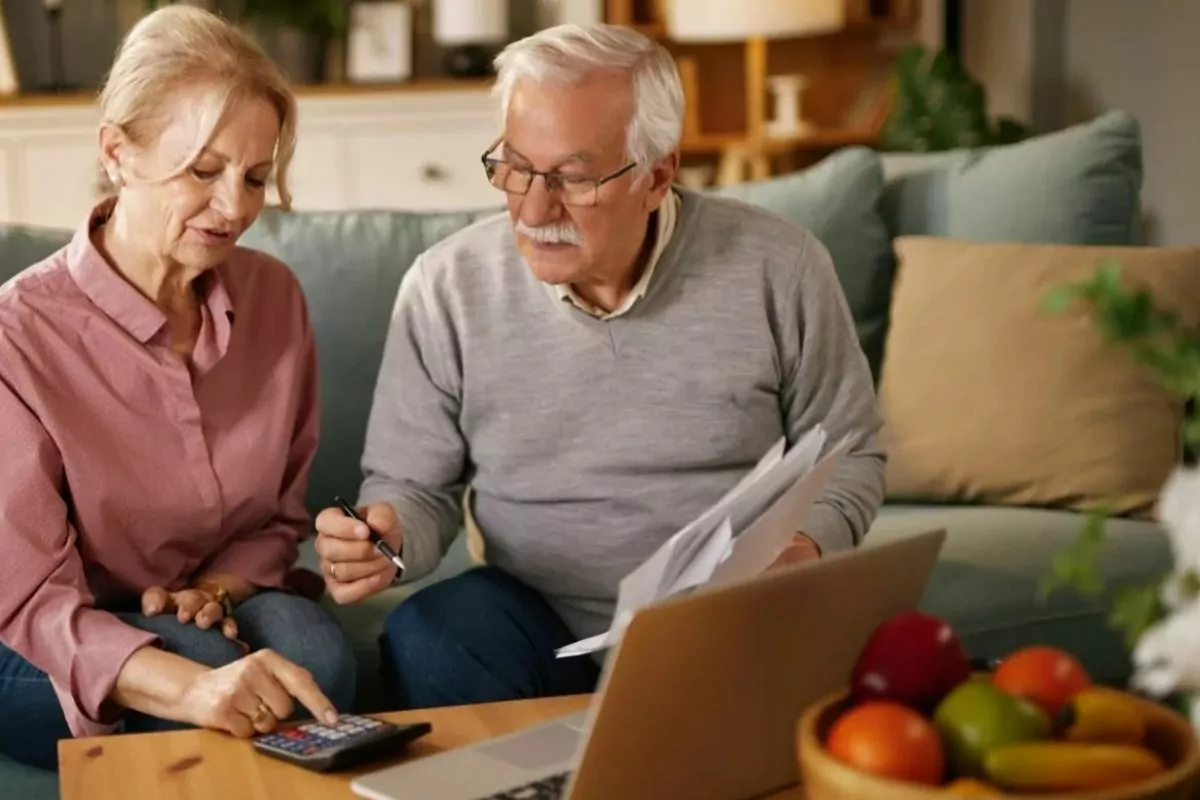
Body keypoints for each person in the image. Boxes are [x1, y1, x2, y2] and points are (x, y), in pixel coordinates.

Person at [314, 23, 884, 710]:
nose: (532, 208)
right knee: (432, 637)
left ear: (658, 175)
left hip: (724, 614)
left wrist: (801, 550)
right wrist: (387, 535)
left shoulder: (780, 267)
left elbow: (852, 455)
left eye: (574, 179)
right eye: (515, 167)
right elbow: (413, 488)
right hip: (534, 618)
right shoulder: (447, 287)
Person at [0, 6, 357, 771]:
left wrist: (221, 587)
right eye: (203, 171)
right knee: (219, 673)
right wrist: (195, 689)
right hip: (42, 632)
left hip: (204, 603)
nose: (235, 208)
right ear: (117, 152)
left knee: (313, 656)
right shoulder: (17, 336)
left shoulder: (275, 300)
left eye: (256, 177)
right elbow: (32, 603)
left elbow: (277, 520)